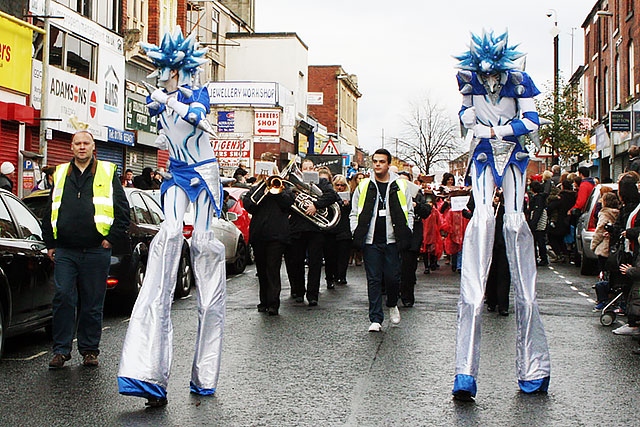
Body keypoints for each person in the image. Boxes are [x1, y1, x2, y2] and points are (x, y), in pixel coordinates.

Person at [118, 26, 226, 407]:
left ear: (181, 70)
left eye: (168, 70)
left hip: (204, 172)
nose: (162, 76)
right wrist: (158, 100)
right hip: (179, 172)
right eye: (160, 70)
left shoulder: (198, 93)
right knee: (166, 240)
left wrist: (172, 100)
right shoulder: (160, 97)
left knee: (202, 244)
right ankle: (148, 374)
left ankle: (205, 373)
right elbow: (155, 115)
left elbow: (199, 119)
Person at [452, 30, 551, 400]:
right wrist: (476, 125)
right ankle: (465, 371)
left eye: (496, 75)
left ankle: (534, 367)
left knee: (514, 225)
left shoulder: (520, 80)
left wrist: (498, 129)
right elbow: (463, 112)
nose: (491, 81)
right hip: (482, 158)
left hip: (512, 157)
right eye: (486, 75)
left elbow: (532, 119)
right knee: (481, 226)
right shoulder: (469, 79)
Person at [41, 129, 130, 369]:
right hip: (66, 250)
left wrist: (110, 239)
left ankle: (90, 350)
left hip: (95, 249)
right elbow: (50, 210)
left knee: (92, 302)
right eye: (77, 143)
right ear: (71, 147)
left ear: (93, 147)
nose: (81, 147)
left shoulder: (106, 172)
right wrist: (50, 243)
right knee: (63, 298)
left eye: (86, 143)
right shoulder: (60, 173)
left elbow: (122, 211)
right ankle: (61, 350)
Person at [350, 148, 414, 332]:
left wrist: (407, 230)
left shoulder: (400, 185)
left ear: (388, 164)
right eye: (375, 161)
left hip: (393, 240)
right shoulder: (364, 185)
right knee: (374, 279)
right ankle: (375, 318)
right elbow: (355, 211)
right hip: (371, 241)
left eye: (382, 162)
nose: (377, 165)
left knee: (393, 278)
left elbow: (409, 210)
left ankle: (392, 303)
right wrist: (356, 230)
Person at [284, 159, 336, 305]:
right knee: (297, 262)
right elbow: (287, 199)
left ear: (314, 169)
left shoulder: (322, 182)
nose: (308, 170)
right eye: (305, 168)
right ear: (300, 170)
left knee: (315, 264)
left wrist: (316, 205)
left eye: (311, 167)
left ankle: (313, 295)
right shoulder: (293, 184)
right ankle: (299, 292)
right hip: (297, 228)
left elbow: (332, 195)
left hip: (315, 229)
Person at [243, 170, 295, 316]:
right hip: (259, 234)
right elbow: (249, 205)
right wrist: (263, 189)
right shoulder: (255, 190)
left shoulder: (285, 190)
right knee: (261, 270)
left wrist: (277, 191)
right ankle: (263, 301)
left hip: (277, 236)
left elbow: (288, 204)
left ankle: (273, 303)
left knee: (273, 269)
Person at [398, 171, 431, 307]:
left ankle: (407, 296)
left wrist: (416, 205)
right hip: (395, 234)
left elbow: (426, 211)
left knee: (408, 268)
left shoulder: (417, 194)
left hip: (412, 237)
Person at [591, 192, 620, 309]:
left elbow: (599, 230)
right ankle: (612, 297)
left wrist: (594, 245)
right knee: (613, 273)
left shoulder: (604, 214)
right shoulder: (618, 213)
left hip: (604, 247)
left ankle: (603, 298)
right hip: (614, 249)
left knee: (603, 273)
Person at [323, 173, 352, 288]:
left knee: (343, 255)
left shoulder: (350, 196)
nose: (340, 187)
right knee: (330, 256)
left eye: (342, 185)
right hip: (332, 230)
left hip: (344, 230)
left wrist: (347, 205)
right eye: (337, 185)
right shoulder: (330, 196)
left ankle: (342, 276)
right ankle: (331, 277)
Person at [546, 180, 577, 263]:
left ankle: (560, 254)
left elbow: (551, 207)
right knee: (560, 238)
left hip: (559, 220)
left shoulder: (562, 196)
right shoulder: (574, 196)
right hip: (570, 219)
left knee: (552, 236)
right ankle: (565, 254)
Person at [527, 180, 549, 266]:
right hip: (539, 220)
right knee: (539, 240)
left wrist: (533, 223)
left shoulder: (538, 198)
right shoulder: (540, 197)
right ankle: (540, 257)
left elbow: (537, 211)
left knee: (539, 240)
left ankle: (542, 258)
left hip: (538, 221)